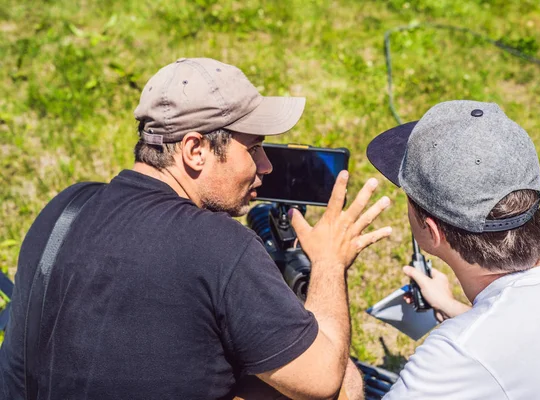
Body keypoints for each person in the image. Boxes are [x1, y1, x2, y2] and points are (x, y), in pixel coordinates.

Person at [0, 57, 393, 399]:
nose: (266, 167)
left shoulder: (66, 205)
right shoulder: (221, 245)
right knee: (342, 383)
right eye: (254, 148)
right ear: (195, 149)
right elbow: (322, 379)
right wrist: (328, 263)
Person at [366, 100, 540, 399]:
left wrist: (328, 269)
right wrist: (455, 310)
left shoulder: (451, 362)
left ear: (432, 231)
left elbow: (487, 353)